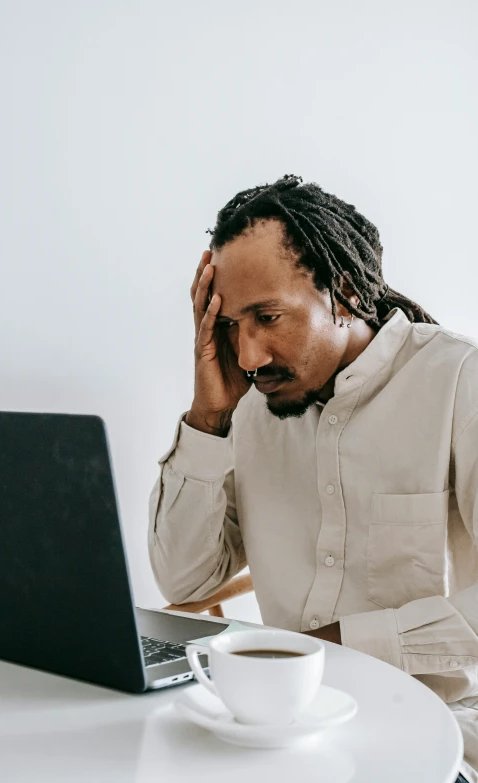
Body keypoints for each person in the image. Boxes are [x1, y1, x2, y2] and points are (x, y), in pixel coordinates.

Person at [148, 174, 477, 783]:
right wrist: (208, 418)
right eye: (227, 326)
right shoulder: (245, 410)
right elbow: (184, 577)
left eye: (267, 317)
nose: (247, 357)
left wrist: (329, 647)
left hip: (443, 729)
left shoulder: (460, 381)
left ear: (344, 291)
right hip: (281, 732)